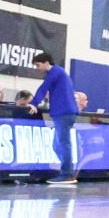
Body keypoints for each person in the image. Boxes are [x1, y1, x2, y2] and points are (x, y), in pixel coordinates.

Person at [19, 51, 79, 187]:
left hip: (64, 112)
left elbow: (43, 88)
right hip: (64, 112)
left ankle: (67, 174)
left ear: (46, 62)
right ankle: (68, 171)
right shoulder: (59, 73)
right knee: (57, 145)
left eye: (38, 65)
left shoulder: (55, 72)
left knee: (63, 143)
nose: (37, 68)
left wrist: (33, 103)